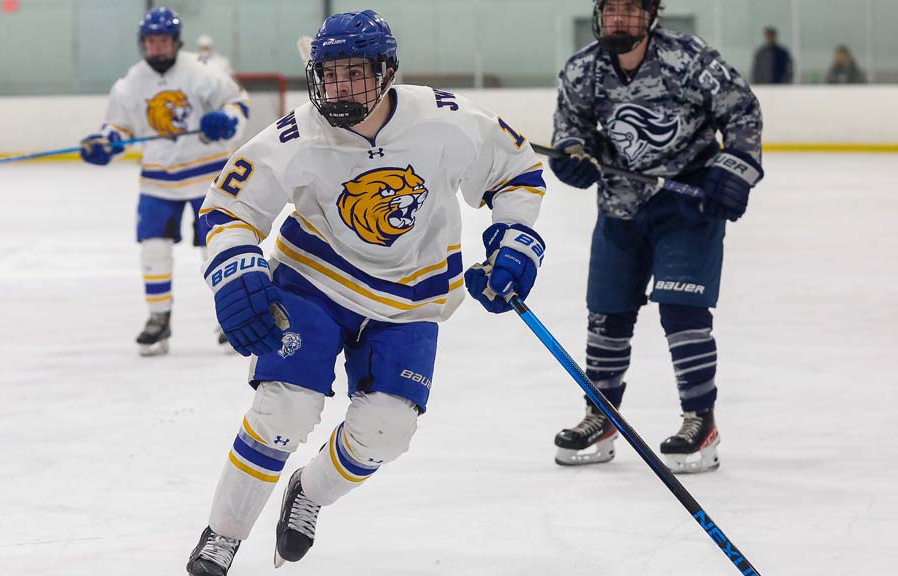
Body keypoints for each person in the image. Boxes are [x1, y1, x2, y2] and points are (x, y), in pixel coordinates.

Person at [183, 9, 547, 575]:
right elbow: (229, 206)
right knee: (285, 409)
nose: (340, 88)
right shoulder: (299, 133)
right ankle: (221, 538)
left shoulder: (445, 120)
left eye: (354, 73)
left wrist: (517, 239)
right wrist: (233, 266)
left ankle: (310, 491)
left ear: (387, 72)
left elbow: (518, 171)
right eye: (329, 75)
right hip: (314, 280)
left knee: (387, 430)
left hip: (411, 297)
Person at [548, 0, 763, 474]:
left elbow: (742, 112)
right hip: (620, 206)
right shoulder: (583, 69)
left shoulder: (687, 58)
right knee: (607, 312)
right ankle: (600, 417)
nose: (620, 21)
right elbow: (571, 129)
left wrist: (736, 168)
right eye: (612, 10)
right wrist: (573, 154)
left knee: (683, 311)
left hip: (688, 205)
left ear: (651, 17)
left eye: (631, 10)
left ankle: (699, 421)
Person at [80, 6, 250, 356]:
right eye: (151, 42)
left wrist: (227, 120)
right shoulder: (129, 84)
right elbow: (119, 127)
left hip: (208, 177)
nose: (157, 48)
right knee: (154, 250)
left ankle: (229, 319)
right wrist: (105, 143)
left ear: (176, 42)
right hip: (157, 179)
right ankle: (159, 319)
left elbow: (238, 101)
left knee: (217, 247)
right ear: (143, 44)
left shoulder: (202, 73)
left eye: (163, 41)